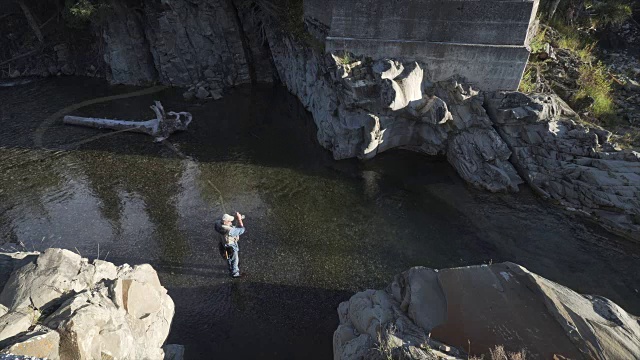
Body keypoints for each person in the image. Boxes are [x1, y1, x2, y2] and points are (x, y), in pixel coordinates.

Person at [214, 212, 245, 278]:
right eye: (230, 221)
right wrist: (239, 219)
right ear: (226, 222)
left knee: (228, 258)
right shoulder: (229, 230)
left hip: (223, 244)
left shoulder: (218, 224)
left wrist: (234, 218)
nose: (231, 222)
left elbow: (218, 221)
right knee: (234, 259)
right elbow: (242, 230)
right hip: (231, 246)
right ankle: (235, 273)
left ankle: (230, 268)